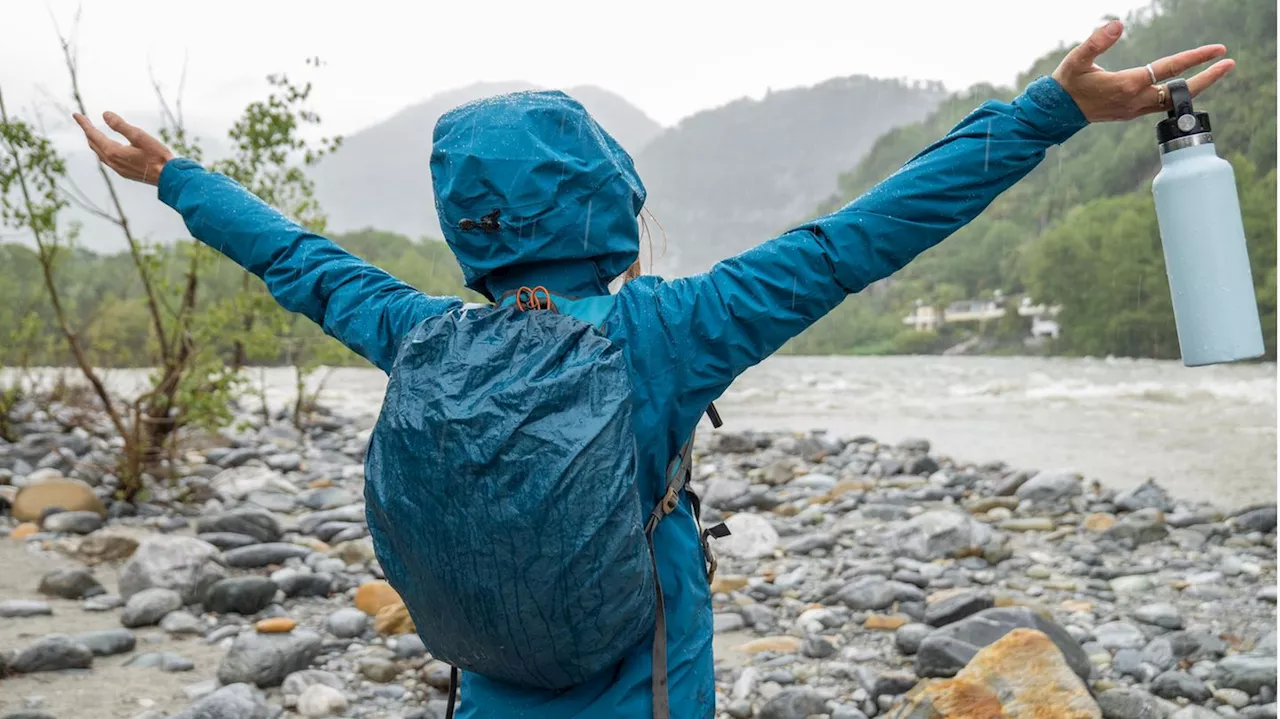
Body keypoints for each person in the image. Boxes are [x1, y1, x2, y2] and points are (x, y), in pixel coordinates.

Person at [76, 20, 1232, 719]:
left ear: (466, 225)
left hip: (487, 681)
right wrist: (1046, 113)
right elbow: (865, 233)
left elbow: (297, 259)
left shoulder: (412, 331)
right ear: (610, 202)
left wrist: (177, 175)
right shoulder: (670, 333)